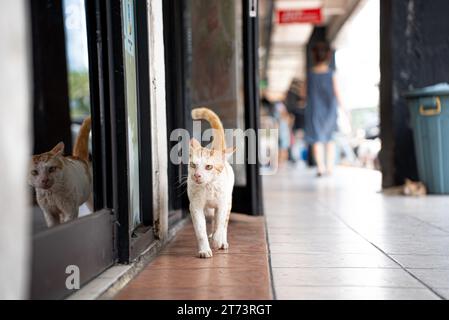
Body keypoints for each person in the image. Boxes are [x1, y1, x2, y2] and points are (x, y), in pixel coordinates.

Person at [305, 42, 346, 177]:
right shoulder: (331, 74)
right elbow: (337, 92)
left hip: (315, 111)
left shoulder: (310, 75)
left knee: (317, 139)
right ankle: (329, 167)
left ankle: (320, 168)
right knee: (329, 139)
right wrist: (344, 109)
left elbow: (305, 94)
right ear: (328, 56)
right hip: (330, 111)